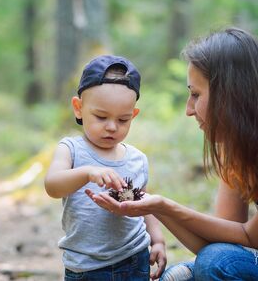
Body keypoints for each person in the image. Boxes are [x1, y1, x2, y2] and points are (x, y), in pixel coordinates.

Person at [86, 28, 258, 280]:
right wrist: (154, 206)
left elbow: (249, 239)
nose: (189, 109)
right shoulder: (240, 148)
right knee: (182, 273)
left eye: (196, 95)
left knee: (219, 263)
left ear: (231, 95)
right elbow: (213, 245)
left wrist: (164, 206)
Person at [44, 55, 167, 280]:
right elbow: (52, 186)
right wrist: (88, 172)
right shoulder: (71, 149)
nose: (112, 127)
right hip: (86, 265)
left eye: (123, 120)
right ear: (78, 108)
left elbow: (144, 203)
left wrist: (157, 240)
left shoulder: (137, 158)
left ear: (134, 116)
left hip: (134, 256)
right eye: (101, 117)